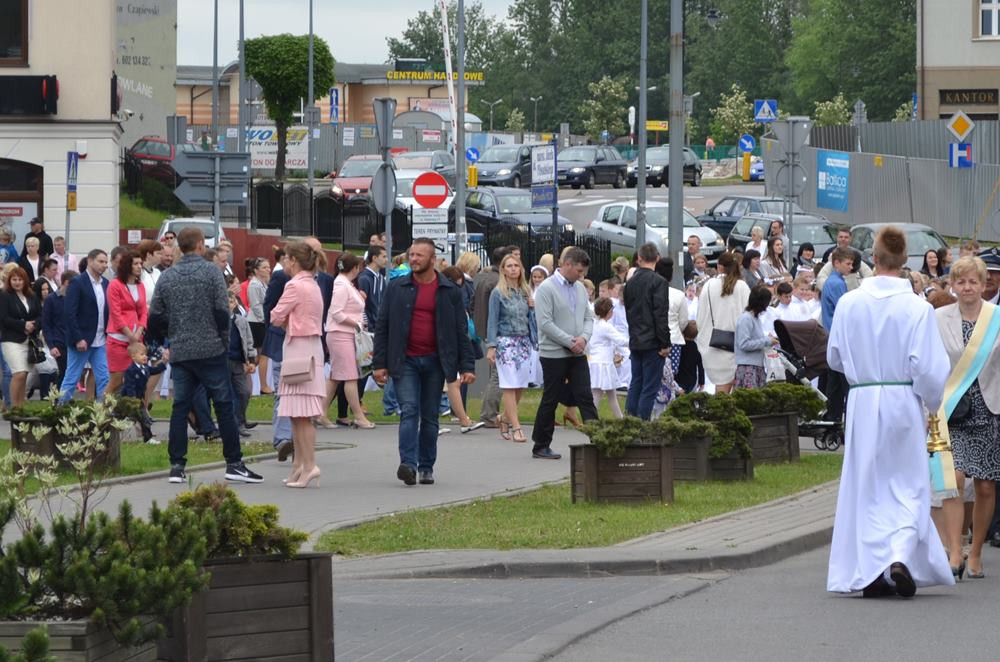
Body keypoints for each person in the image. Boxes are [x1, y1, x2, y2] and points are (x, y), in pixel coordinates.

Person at [826, 225, 953, 598]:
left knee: (868, 486)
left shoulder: (850, 303)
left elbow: (834, 357)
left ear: (874, 259)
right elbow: (929, 369)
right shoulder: (916, 307)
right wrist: (931, 403)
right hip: (902, 402)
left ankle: (871, 568)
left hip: (864, 401)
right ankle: (898, 556)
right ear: (904, 261)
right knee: (907, 485)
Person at [149, 227, 262, 485]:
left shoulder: (168, 277)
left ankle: (177, 466)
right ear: (200, 245)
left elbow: (155, 315)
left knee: (180, 407)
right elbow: (223, 313)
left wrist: (172, 333)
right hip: (211, 348)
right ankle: (234, 463)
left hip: (181, 350)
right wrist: (222, 340)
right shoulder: (212, 272)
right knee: (223, 405)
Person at [372, 238, 475, 486]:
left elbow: (461, 330)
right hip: (405, 360)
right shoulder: (396, 287)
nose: (414, 259)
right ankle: (408, 464)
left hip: (435, 362)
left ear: (432, 260)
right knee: (409, 410)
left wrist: (467, 366)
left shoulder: (448, 290)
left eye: (419, 255)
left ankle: (426, 466)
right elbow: (383, 326)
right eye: (412, 255)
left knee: (430, 416)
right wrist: (379, 363)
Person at [934, 256, 1000, 579]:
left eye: (974, 281)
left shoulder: (997, 318)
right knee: (954, 479)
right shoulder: (938, 317)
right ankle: (955, 551)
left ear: (985, 284)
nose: (968, 287)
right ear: (952, 285)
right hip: (952, 409)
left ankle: (976, 552)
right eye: (961, 281)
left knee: (986, 486)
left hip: (989, 409)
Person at [530, 247, 599, 459]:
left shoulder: (579, 288)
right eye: (578, 270)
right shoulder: (546, 289)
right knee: (550, 398)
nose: (582, 276)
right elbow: (545, 323)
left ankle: (599, 440)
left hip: (577, 352)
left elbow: (589, 317)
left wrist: (584, 338)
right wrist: (570, 341)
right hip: (554, 354)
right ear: (566, 264)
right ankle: (541, 444)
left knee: (585, 395)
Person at [268, 241, 327, 489]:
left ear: (293, 260)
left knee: (300, 414)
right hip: (310, 347)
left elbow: (275, 315)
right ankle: (299, 465)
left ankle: (309, 464)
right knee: (297, 413)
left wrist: (286, 322)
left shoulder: (294, 285)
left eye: (287, 259)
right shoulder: (313, 284)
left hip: (298, 349)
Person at [486, 253, 536, 444]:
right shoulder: (498, 293)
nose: (513, 269)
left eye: (516, 265)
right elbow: (492, 320)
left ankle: (504, 417)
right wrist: (491, 346)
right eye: (509, 266)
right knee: (508, 384)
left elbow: (530, 320)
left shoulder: (525, 291)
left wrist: (532, 307)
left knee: (521, 385)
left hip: (523, 341)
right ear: (503, 270)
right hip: (505, 342)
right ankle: (517, 427)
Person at [324, 253, 374, 429]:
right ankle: (359, 416)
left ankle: (321, 412)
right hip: (341, 334)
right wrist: (357, 324)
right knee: (350, 376)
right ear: (355, 268)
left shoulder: (345, 284)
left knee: (336, 376)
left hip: (344, 333)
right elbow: (337, 313)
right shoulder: (341, 284)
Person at [622, 243, 671, 420]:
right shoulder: (659, 282)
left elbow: (629, 311)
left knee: (636, 383)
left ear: (639, 258)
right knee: (649, 387)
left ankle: (629, 421)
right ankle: (642, 424)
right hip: (653, 341)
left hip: (636, 339)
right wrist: (664, 343)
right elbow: (660, 314)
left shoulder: (630, 283)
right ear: (657, 258)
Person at [58, 249, 110, 402]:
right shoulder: (77, 283)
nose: (104, 265)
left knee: (104, 378)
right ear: (89, 261)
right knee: (72, 377)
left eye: (106, 262)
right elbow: (69, 313)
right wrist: (78, 338)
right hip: (82, 340)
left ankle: (101, 415)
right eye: (101, 261)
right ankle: (59, 410)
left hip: (100, 339)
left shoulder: (106, 283)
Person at [696, 252, 750, 394]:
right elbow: (748, 315)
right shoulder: (742, 287)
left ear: (719, 267)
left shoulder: (709, 285)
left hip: (713, 342)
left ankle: (720, 414)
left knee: (721, 388)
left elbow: (700, 314)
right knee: (731, 390)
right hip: (736, 343)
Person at [471, 245, 511, 427]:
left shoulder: (485, 278)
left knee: (497, 374)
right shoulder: (497, 282)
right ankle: (489, 414)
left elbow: (473, 304)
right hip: (496, 332)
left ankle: (491, 413)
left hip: (484, 329)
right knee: (498, 376)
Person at [106, 250, 147, 394]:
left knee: (137, 380)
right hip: (119, 339)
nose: (139, 266)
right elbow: (115, 313)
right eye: (135, 264)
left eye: (140, 263)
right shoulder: (115, 285)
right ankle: (103, 412)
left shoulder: (140, 286)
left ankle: (135, 411)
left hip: (137, 338)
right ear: (127, 266)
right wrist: (129, 334)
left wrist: (139, 331)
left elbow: (143, 311)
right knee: (117, 381)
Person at [1, 267, 41, 407]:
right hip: (11, 340)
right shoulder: (5, 296)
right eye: (14, 280)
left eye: (20, 279)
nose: (17, 282)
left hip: (29, 341)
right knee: (19, 373)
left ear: (25, 281)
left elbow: (40, 315)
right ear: (9, 281)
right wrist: (23, 324)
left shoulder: (32, 296)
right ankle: (13, 406)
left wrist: (34, 325)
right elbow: (4, 318)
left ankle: (21, 405)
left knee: (24, 375)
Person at [588, 297, 628, 418]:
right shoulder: (605, 326)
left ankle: (620, 419)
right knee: (597, 395)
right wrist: (636, 341)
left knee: (611, 395)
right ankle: (591, 420)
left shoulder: (593, 324)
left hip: (597, 362)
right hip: (603, 364)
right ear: (609, 311)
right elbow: (620, 340)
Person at [120, 343, 165, 445]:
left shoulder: (146, 368)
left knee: (144, 418)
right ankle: (110, 433)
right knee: (120, 416)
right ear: (133, 356)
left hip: (139, 399)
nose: (145, 356)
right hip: (128, 399)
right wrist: (133, 400)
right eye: (141, 354)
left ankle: (147, 438)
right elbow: (129, 386)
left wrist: (164, 362)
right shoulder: (130, 371)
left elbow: (155, 370)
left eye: (145, 354)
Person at [734, 286, 777, 389]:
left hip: (757, 366)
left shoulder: (755, 318)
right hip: (748, 368)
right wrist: (767, 341)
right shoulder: (746, 319)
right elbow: (743, 344)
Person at [227, 291, 257, 437]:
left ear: (235, 304)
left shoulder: (241, 321)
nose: (228, 304)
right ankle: (234, 424)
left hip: (238, 362)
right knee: (229, 394)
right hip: (223, 362)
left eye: (231, 301)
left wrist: (251, 360)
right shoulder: (218, 321)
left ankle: (240, 418)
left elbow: (248, 340)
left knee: (244, 392)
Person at [42, 269, 75, 388]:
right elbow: (46, 324)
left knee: (70, 372)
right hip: (59, 341)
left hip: (72, 341)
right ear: (66, 282)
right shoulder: (51, 299)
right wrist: (51, 345)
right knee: (63, 371)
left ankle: (64, 398)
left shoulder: (74, 299)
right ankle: (58, 399)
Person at [817, 227, 873, 291]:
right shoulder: (829, 252)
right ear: (837, 238)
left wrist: (860, 284)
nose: (843, 239)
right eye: (841, 237)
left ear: (850, 239)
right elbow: (821, 277)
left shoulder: (855, 254)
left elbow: (868, 274)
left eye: (846, 237)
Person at [246, 256, 271, 393]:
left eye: (268, 267)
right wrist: (266, 320)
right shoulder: (255, 285)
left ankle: (260, 383)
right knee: (262, 355)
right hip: (257, 323)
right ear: (256, 270)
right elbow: (256, 306)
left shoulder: (262, 283)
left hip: (260, 321)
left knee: (259, 356)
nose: (268, 270)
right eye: (264, 268)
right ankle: (263, 385)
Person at [674, 322, 704, 394]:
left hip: (678, 379)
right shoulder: (697, 349)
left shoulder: (678, 347)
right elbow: (700, 367)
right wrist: (701, 382)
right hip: (691, 381)